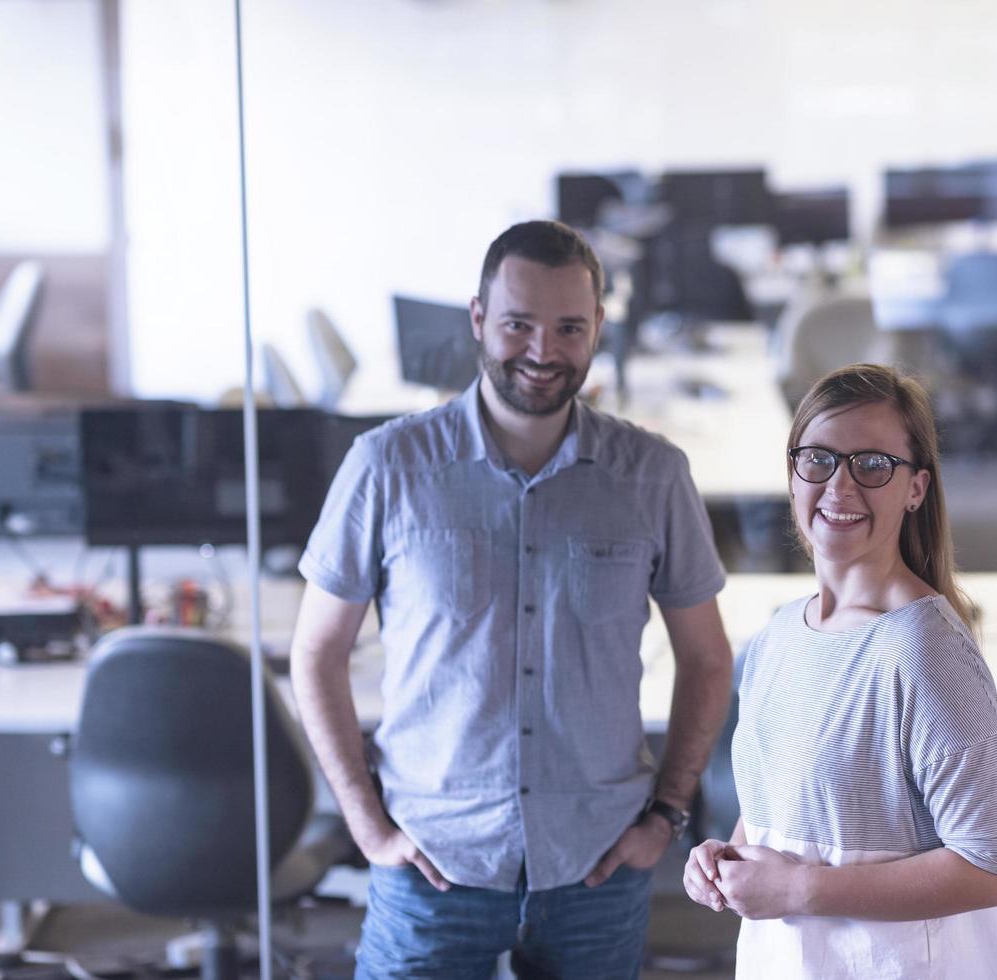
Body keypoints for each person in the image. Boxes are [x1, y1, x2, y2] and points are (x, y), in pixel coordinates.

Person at [291, 220, 734, 979]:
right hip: (433, 862)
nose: (542, 351)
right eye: (518, 324)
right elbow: (316, 653)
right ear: (477, 320)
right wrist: (367, 828)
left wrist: (666, 815)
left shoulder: (652, 475)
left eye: (568, 328)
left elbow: (707, 656)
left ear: (598, 328)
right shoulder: (388, 466)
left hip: (596, 862)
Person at [683, 363, 997, 979]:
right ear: (793, 476)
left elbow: (996, 865)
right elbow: (781, 815)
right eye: (818, 459)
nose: (839, 487)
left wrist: (796, 891)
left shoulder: (924, 651)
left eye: (872, 465)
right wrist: (727, 859)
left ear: (917, 488)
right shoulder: (777, 638)